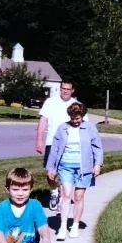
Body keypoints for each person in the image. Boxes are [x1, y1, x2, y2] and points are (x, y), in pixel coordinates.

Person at [45, 102, 103, 241]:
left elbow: (97, 147)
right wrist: (51, 167)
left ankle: (75, 225)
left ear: (82, 116)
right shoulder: (62, 128)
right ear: (70, 116)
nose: (75, 121)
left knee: (78, 197)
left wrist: (97, 164)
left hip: (84, 168)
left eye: (78, 118)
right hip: (65, 166)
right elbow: (54, 149)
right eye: (73, 118)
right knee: (65, 195)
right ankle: (63, 226)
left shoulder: (89, 128)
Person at [35, 81, 79, 211]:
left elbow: (83, 125)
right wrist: (39, 140)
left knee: (66, 172)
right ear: (60, 89)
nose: (65, 91)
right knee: (50, 172)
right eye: (63, 88)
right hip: (52, 142)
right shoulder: (50, 102)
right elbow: (43, 121)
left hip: (70, 144)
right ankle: (54, 193)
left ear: (73, 90)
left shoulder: (77, 105)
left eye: (68, 89)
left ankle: (63, 199)